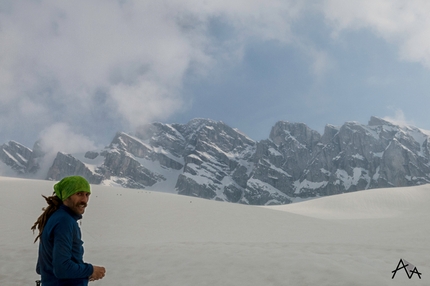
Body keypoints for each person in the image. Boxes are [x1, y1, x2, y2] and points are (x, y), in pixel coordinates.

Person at [32, 176, 106, 285]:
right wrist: (91, 270)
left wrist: (83, 274)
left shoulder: (54, 217)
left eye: (87, 195)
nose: (84, 200)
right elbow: (62, 269)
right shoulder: (64, 222)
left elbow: (41, 268)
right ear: (66, 196)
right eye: (79, 194)